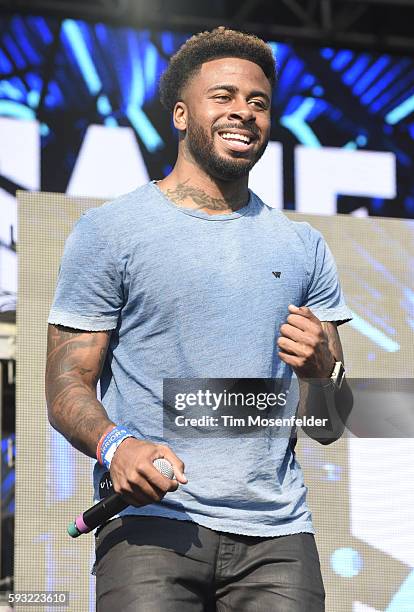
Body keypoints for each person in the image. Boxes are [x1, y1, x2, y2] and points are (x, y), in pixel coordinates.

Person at [46, 27, 353, 612]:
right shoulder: (112, 231)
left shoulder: (303, 247)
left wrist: (319, 374)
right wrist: (117, 447)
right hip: (149, 527)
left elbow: (327, 424)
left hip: (279, 536)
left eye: (258, 102)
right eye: (225, 96)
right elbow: (65, 385)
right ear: (182, 115)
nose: (243, 112)